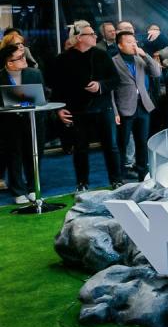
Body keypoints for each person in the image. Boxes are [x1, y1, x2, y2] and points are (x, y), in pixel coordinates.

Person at [50, 22, 122, 192]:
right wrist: (59, 109)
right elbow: (57, 88)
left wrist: (100, 86)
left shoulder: (102, 55)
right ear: (79, 37)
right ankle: (82, 183)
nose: (95, 36)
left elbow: (115, 80)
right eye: (91, 34)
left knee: (111, 146)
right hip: (77, 110)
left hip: (103, 107)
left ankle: (116, 180)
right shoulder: (62, 60)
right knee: (80, 149)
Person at [111, 31, 162, 181]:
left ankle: (142, 174)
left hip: (143, 106)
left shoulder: (140, 59)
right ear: (120, 45)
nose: (133, 45)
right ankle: (119, 176)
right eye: (129, 42)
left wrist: (145, 55)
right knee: (122, 143)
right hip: (124, 108)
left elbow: (157, 72)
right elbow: (111, 91)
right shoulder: (114, 62)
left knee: (142, 142)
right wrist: (115, 111)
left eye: (134, 42)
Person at [0, 44, 45, 203]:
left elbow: (42, 97)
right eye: (19, 58)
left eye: (23, 56)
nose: (24, 59)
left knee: (34, 155)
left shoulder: (34, 73)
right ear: (9, 63)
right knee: (14, 156)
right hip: (9, 124)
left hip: (33, 121)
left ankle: (34, 187)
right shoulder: (1, 77)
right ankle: (18, 191)